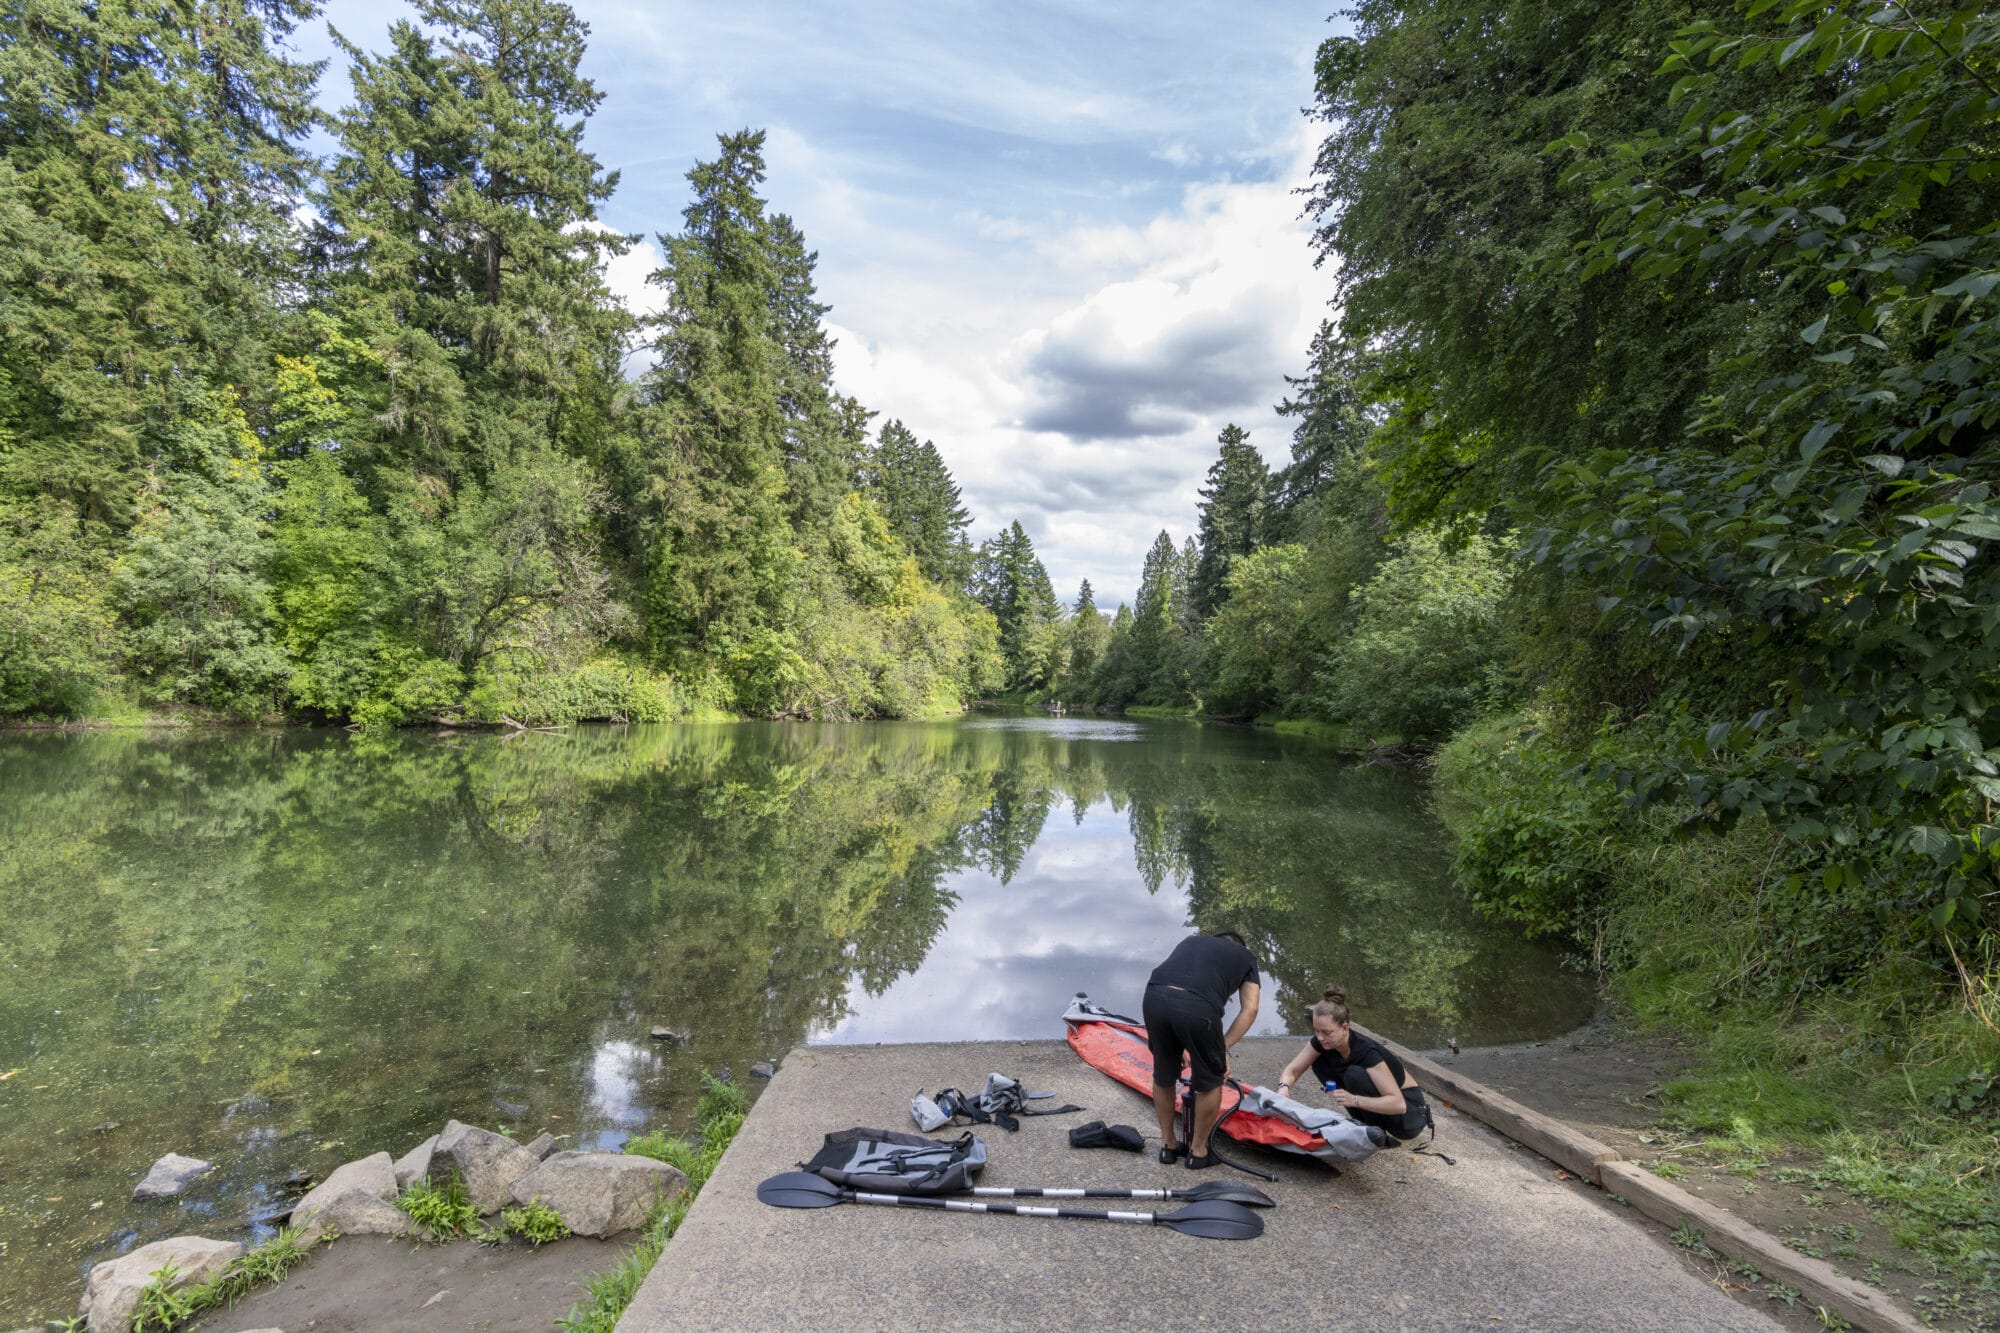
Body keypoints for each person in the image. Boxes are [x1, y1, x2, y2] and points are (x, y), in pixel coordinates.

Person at [1142, 929, 1261, 1169]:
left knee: (1163, 1075)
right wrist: (1221, 1048)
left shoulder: (1191, 941)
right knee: (1210, 1080)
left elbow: (1178, 988)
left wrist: (1185, 1043)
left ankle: (1168, 1145)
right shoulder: (1246, 957)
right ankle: (1198, 1152)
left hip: (1154, 997)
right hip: (1197, 1006)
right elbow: (1251, 1009)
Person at [1275, 984, 1430, 1141]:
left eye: (1327, 1032)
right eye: (1316, 1030)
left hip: (1409, 1116)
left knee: (1354, 1074)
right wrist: (1283, 1089)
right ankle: (1364, 1125)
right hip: (1383, 1107)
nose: (1320, 1037)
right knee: (1319, 1062)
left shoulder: (1366, 1051)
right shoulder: (1322, 1042)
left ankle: (1374, 1133)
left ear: (1345, 1028)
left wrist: (1354, 1100)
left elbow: (1398, 1105)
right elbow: (1293, 1070)